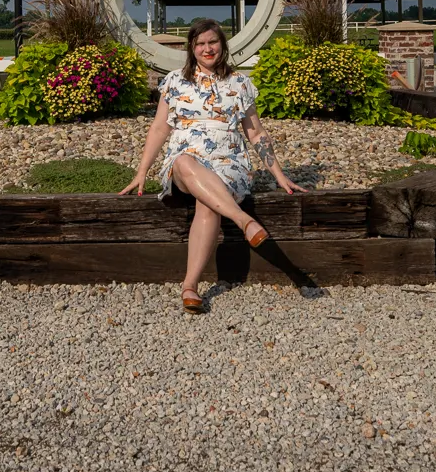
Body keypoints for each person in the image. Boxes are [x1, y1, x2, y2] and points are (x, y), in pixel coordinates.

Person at [120, 18, 305, 314]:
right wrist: (141, 172)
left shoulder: (240, 83)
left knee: (208, 202)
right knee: (182, 161)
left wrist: (279, 175)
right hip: (185, 159)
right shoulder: (175, 81)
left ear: (223, 45)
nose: (208, 49)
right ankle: (245, 221)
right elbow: (158, 129)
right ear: (192, 48)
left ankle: (190, 287)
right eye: (201, 44)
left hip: (228, 160)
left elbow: (256, 132)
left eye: (213, 42)